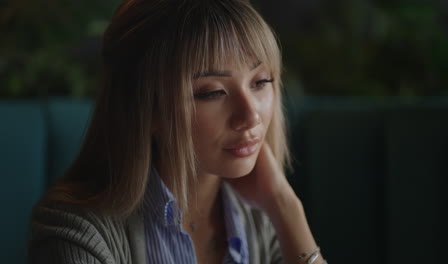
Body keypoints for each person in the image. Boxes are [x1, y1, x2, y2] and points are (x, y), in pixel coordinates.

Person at [28, 0, 327, 263]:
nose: (251, 116)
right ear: (146, 110)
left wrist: (285, 206)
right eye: (212, 92)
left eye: (260, 82)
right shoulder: (76, 233)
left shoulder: (263, 219)